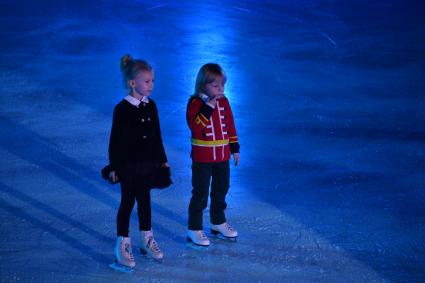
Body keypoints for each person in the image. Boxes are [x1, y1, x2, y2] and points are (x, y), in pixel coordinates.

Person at [108, 54, 169, 268]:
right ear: (132, 83)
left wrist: (162, 160)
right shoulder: (122, 109)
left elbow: (157, 135)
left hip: (148, 164)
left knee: (145, 202)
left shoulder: (151, 106)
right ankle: (122, 243)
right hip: (129, 165)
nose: (151, 85)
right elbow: (115, 141)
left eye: (152, 81)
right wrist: (115, 166)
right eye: (147, 81)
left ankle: (146, 239)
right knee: (127, 203)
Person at [186, 63, 240, 246]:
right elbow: (196, 127)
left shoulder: (224, 102)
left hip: (222, 156)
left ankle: (218, 222)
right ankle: (194, 228)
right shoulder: (195, 103)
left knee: (221, 190)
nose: (220, 89)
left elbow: (230, 125)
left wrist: (234, 148)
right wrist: (208, 107)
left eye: (222, 85)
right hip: (203, 158)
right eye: (215, 86)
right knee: (200, 193)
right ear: (203, 85)